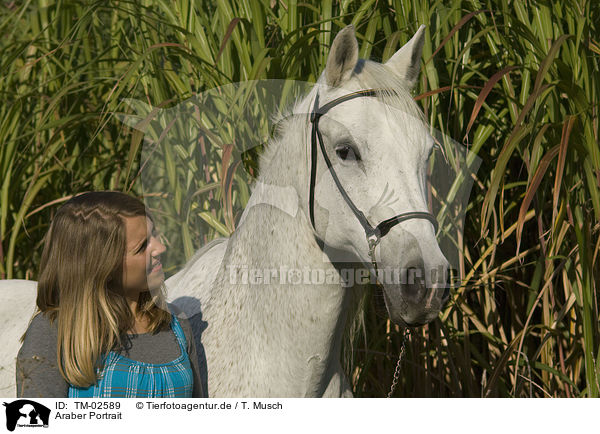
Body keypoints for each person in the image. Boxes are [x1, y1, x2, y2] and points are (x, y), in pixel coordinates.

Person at [16, 191, 203, 397]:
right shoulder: (56, 332)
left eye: (155, 235)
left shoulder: (176, 326)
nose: (160, 248)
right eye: (142, 247)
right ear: (101, 265)